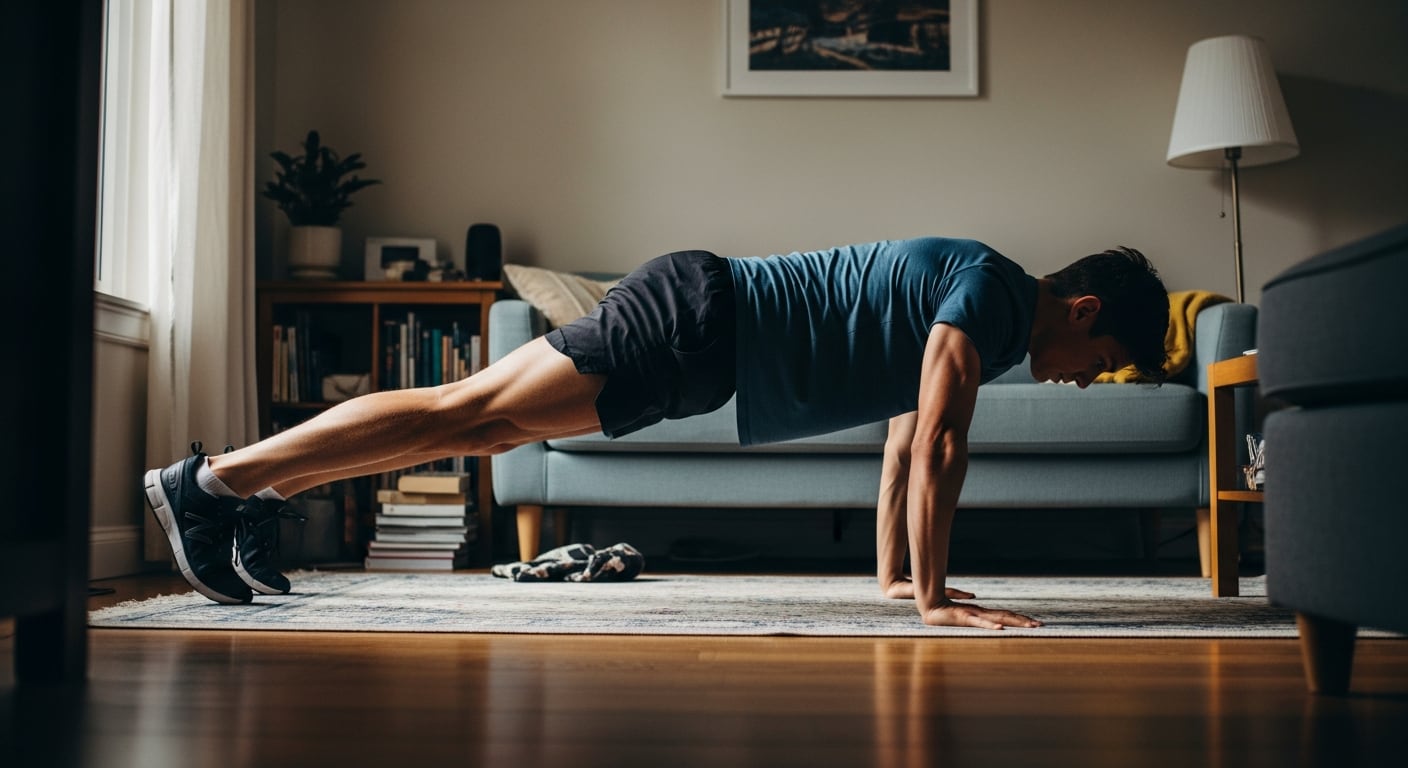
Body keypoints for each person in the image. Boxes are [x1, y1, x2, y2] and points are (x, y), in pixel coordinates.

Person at [144, 237, 1169, 628]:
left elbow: (905, 442)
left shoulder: (978, 320)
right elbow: (940, 443)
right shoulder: (991, 294)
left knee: (487, 434)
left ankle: (248, 492)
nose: (1089, 384)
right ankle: (213, 481)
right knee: (464, 410)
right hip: (697, 318)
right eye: (1105, 362)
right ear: (1082, 312)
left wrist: (900, 583)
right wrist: (939, 605)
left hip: (698, 352)